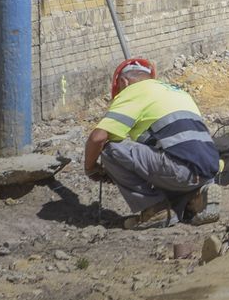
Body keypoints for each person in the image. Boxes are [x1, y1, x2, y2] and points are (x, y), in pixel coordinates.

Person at [82, 59, 221, 230]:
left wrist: (90, 168)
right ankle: (197, 196)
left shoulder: (133, 92)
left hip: (181, 171)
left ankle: (155, 210)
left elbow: (98, 138)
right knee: (167, 166)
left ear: (124, 82)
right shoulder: (177, 92)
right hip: (208, 169)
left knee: (110, 150)